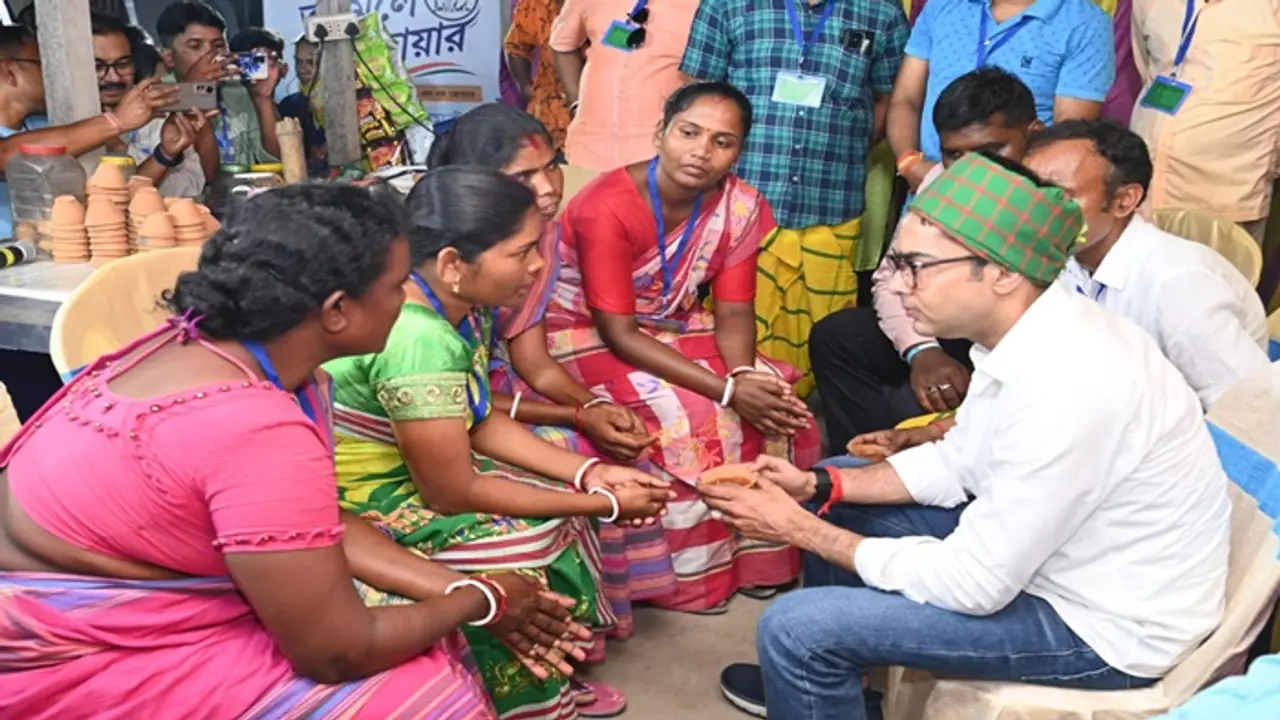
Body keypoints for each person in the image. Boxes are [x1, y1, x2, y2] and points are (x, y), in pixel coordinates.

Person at [0, 184, 585, 719]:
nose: (407, 297)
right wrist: (482, 598)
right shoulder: (256, 427)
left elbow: (308, 521)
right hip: (67, 654)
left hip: (102, 598)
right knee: (420, 697)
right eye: (394, 286)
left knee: (415, 613)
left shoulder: (205, 345)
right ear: (336, 311)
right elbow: (335, 653)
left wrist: (455, 588)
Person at [707, 152, 1231, 720]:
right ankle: (827, 694)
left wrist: (796, 527)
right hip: (1062, 565)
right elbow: (960, 462)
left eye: (916, 266)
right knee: (839, 486)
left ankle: (812, 667)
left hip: (1104, 627)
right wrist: (814, 483)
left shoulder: (1074, 384)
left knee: (797, 628)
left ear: (1002, 273)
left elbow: (976, 584)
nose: (899, 286)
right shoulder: (1030, 330)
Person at [326, 166, 672, 719]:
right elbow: (450, 493)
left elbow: (480, 419)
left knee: (563, 495)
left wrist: (588, 477)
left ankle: (547, 676)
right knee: (523, 548)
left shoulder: (462, 308)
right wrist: (602, 503)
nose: (537, 266)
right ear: (452, 265)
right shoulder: (418, 336)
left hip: (415, 473)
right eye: (521, 252)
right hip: (362, 499)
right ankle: (506, 694)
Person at [544, 82, 821, 613]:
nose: (701, 151)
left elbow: (735, 310)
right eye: (689, 133)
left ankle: (758, 558)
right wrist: (725, 393)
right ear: (660, 133)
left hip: (673, 323)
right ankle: (689, 581)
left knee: (783, 402)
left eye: (723, 141)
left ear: (739, 151)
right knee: (690, 414)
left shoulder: (739, 206)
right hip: (583, 328)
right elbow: (619, 331)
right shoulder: (609, 204)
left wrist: (743, 377)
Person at [428, 103, 679, 642]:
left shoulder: (533, 237)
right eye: (523, 176)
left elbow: (532, 360)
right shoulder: (425, 319)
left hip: (485, 392)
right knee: (568, 451)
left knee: (606, 437)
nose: (547, 189)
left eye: (553, 165)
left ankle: (593, 616)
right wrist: (581, 445)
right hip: (460, 409)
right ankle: (565, 630)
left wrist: (588, 407)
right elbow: (463, 403)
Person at [679, 0, 909, 397]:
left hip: (831, 204)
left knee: (825, 340)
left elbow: (887, 101)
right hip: (744, 205)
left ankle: (801, 425)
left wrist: (837, 147)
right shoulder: (727, 5)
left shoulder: (881, 12)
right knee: (734, 327)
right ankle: (736, 404)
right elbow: (696, 94)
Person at [810, 67, 1041, 451]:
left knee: (914, 400)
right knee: (839, 336)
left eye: (991, 152)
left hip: (1016, 343)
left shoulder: (1050, 197)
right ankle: (861, 458)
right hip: (948, 326)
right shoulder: (941, 182)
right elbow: (888, 279)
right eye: (954, 155)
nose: (972, 171)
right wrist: (922, 350)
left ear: (1033, 135)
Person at [1024, 120, 1270, 409]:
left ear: (1124, 201)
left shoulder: (1177, 288)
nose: (1034, 208)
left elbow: (1250, 408)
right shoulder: (1068, 257)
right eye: (1029, 191)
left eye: (1060, 195)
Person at [1130, 0, 1280, 300]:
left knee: (1212, 311)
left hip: (1225, 197)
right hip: (1142, 188)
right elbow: (1148, 67)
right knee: (1136, 304)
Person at [887, 0, 1114, 194]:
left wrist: (986, 190)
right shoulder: (942, 5)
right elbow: (906, 100)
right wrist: (911, 163)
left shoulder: (1085, 23)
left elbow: (1067, 135)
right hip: (928, 189)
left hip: (1012, 204)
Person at [0, 24, 178, 239]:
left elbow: (107, 196)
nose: (58, 74)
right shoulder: (69, 132)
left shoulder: (51, 123)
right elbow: (8, 156)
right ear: (8, 71)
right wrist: (116, 121)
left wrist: (165, 154)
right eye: (45, 64)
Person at [550, 0, 700, 171]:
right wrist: (576, 102)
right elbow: (562, 44)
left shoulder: (704, 5)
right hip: (589, 147)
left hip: (659, 152)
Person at [92, 14, 215, 197]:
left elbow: (193, 185)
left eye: (123, 64)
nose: (113, 77)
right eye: (98, 66)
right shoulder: (61, 122)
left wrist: (165, 155)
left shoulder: (164, 121)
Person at [156, 3, 281, 166]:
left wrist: (262, 98)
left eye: (218, 45)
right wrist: (195, 90)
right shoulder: (157, 97)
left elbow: (276, 159)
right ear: (169, 58)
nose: (211, 54)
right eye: (195, 46)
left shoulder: (237, 92)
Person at [504, 0, 571, 150]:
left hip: (599, 110)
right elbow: (516, 45)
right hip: (548, 114)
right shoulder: (534, 3)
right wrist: (525, 85)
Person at [277, 35, 327, 174]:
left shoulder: (348, 105)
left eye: (310, 62)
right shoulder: (289, 106)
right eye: (298, 61)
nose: (302, 68)